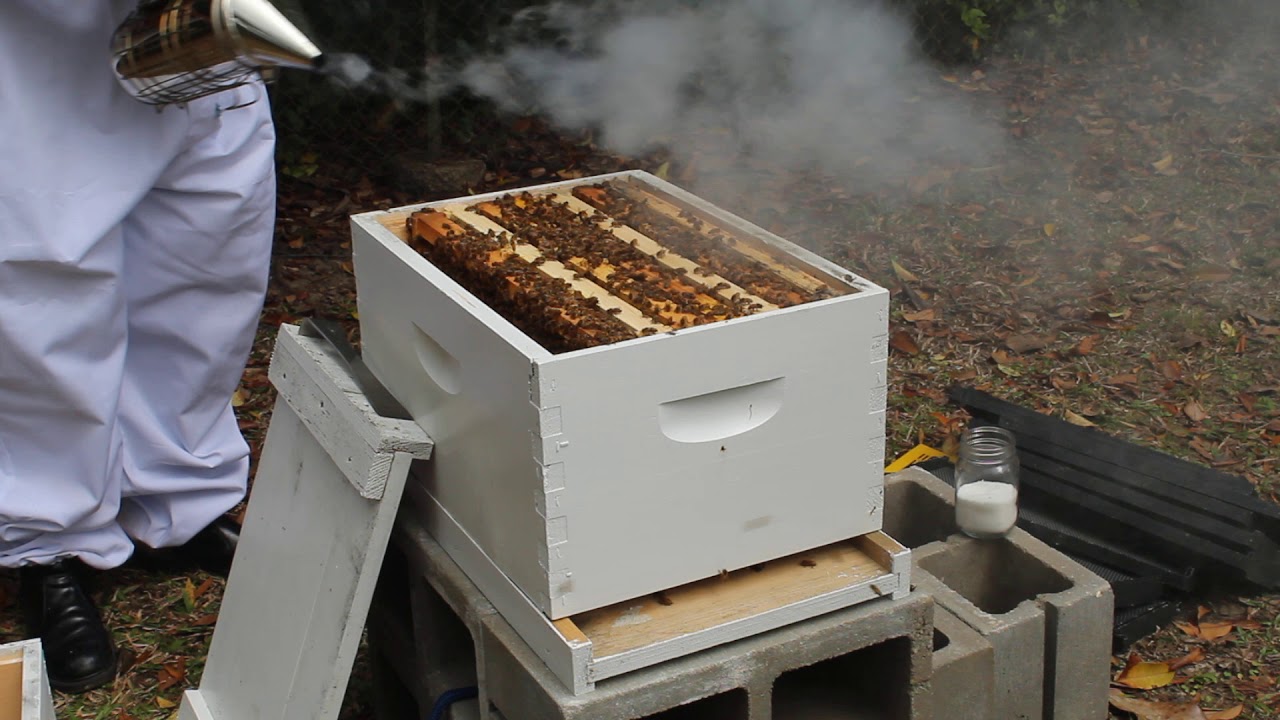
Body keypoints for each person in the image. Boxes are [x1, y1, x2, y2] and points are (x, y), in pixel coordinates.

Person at [1, 1, 277, 693]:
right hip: (45, 46)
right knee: (48, 288)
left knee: (208, 263)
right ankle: (50, 540)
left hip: (205, 35)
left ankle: (176, 497)